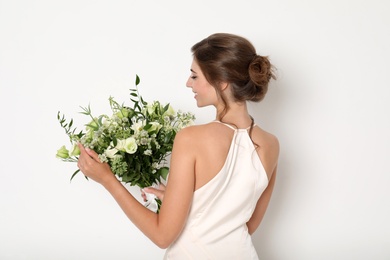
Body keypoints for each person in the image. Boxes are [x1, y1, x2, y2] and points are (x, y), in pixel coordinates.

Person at [77, 32, 279, 259]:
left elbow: (162, 236)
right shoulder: (271, 144)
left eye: (194, 76)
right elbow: (245, 225)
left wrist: (107, 179)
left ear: (221, 83)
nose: (188, 83)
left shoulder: (191, 138)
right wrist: (187, 201)